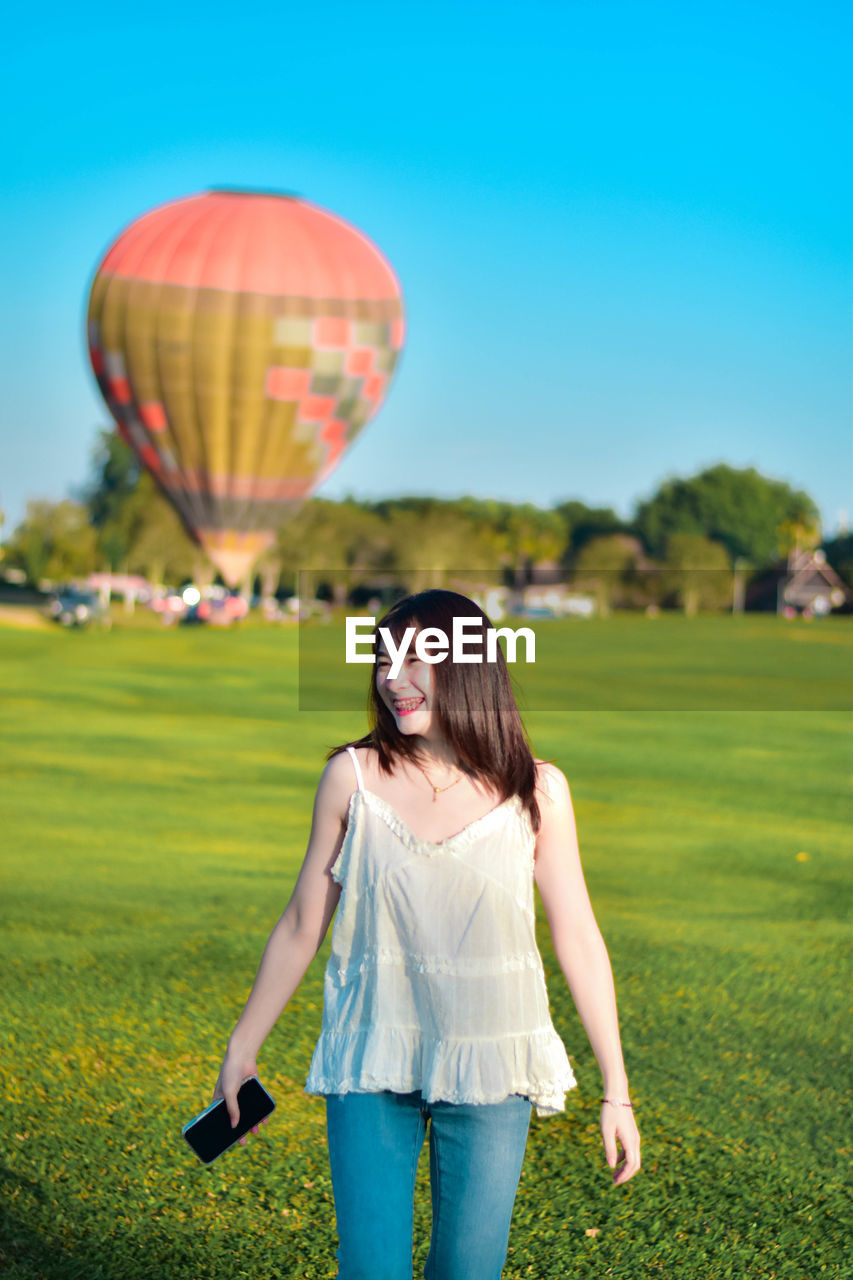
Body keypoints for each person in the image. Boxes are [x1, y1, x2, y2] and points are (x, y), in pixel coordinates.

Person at [213, 589, 641, 1279]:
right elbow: (302, 923)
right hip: (372, 1059)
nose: (391, 677)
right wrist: (241, 1050)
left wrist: (615, 1090)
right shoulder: (350, 778)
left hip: (491, 1067)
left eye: (417, 658)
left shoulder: (538, 791)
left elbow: (579, 938)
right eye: (383, 658)